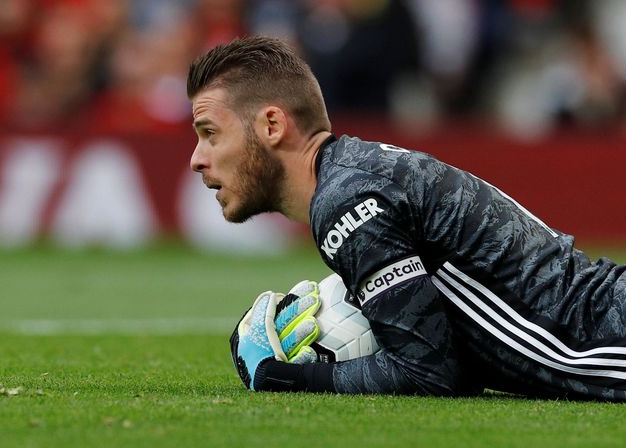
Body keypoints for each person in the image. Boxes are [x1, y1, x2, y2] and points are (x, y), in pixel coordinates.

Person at [187, 36, 626, 400]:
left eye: (210, 133)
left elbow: (429, 372)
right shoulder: (356, 173)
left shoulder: (346, 202)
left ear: (271, 125)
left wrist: (289, 378)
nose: (196, 159)